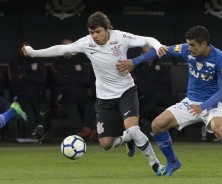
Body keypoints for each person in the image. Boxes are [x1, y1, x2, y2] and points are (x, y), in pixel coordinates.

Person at [22, 11, 166, 174]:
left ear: (107, 29)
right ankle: (127, 138)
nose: (95, 36)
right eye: (91, 32)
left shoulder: (120, 37)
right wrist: (34, 52)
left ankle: (155, 164)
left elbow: (147, 39)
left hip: (126, 91)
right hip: (104, 98)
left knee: (133, 128)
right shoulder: (86, 43)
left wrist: (158, 45)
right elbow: (62, 49)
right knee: (106, 144)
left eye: (98, 32)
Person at [116, 25, 222, 177]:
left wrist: (203, 106)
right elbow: (161, 50)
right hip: (190, 102)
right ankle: (173, 161)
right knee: (157, 126)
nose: (189, 48)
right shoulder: (185, 49)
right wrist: (135, 61)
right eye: (188, 44)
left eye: (193, 45)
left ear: (204, 44)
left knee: (219, 130)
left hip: (211, 103)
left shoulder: (221, 59)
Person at [50, 38, 97, 142]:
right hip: (65, 95)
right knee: (72, 108)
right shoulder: (56, 64)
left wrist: (68, 76)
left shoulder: (81, 62)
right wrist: (76, 77)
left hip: (81, 94)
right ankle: (81, 134)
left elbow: (87, 79)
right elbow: (60, 80)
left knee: (91, 106)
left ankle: (84, 130)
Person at [8, 41, 49, 139]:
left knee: (42, 107)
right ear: (19, 50)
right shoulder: (14, 62)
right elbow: (15, 82)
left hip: (37, 93)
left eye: (28, 48)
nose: (26, 51)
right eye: (23, 49)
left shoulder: (38, 61)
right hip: (21, 94)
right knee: (27, 108)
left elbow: (42, 80)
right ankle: (33, 131)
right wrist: (33, 77)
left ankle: (40, 127)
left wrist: (25, 76)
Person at [134, 45, 174, 122]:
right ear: (140, 54)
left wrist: (148, 76)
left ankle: (168, 131)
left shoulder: (161, 66)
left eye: (150, 53)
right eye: (145, 53)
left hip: (163, 95)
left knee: (175, 108)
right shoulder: (137, 68)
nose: (147, 55)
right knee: (147, 110)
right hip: (146, 97)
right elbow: (140, 84)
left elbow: (167, 80)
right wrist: (156, 75)